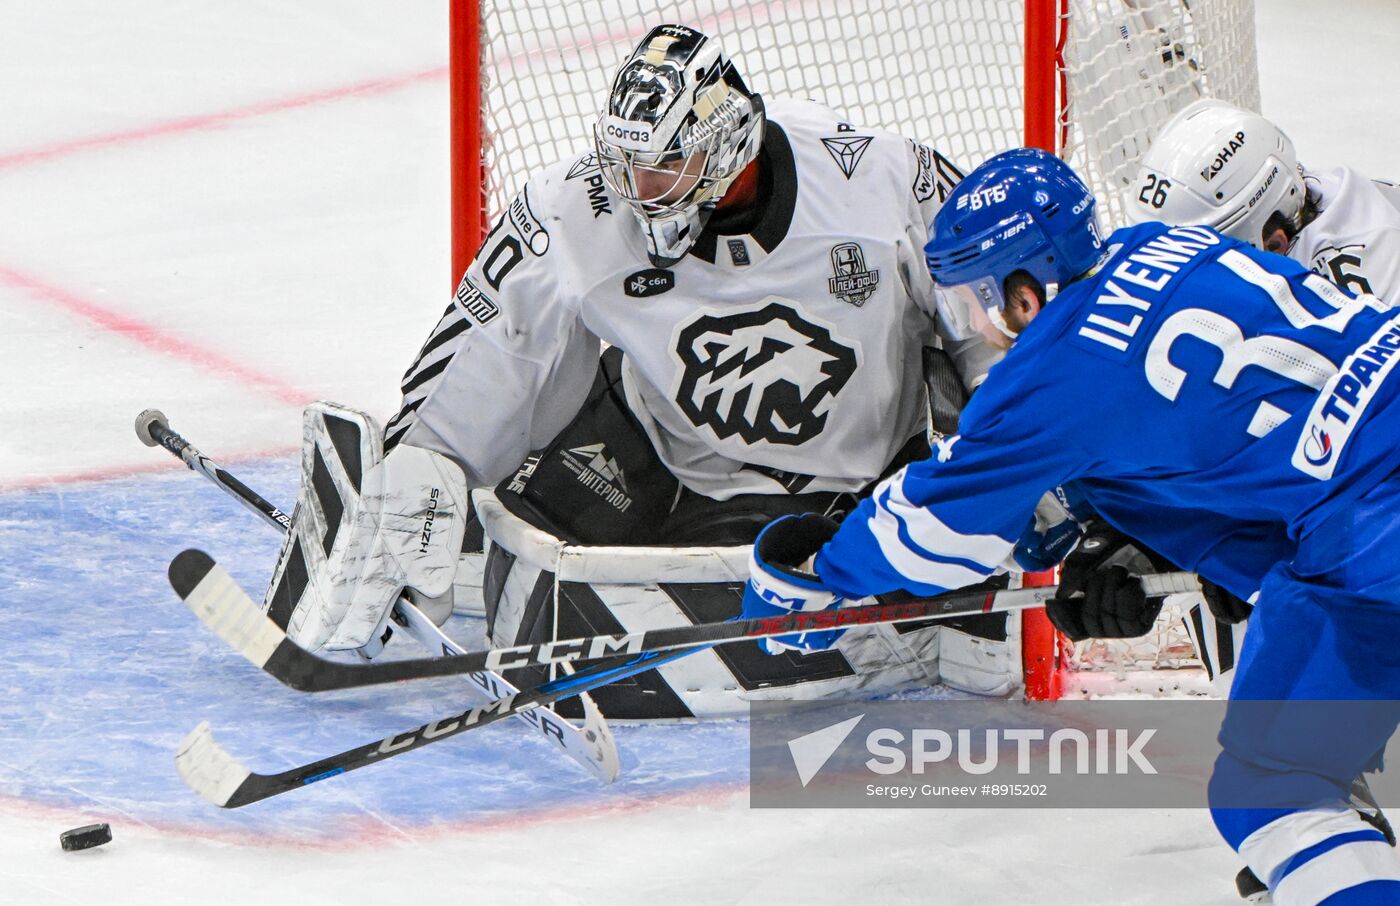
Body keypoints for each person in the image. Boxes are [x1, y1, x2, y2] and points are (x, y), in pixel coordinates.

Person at [255, 23, 1029, 719]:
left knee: (654, 633)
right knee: (525, 565)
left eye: (661, 169)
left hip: (826, 486)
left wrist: (1009, 482)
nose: (633, 191)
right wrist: (424, 458)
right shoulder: (578, 206)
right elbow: (499, 338)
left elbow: (995, 334)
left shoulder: (887, 184)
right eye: (624, 162)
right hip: (649, 437)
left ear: (726, 146)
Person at [745, 146, 1400, 904]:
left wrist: (816, 582)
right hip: (1365, 492)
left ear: (1024, 293)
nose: (974, 323)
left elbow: (934, 533)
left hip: (1374, 523)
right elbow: (1199, 428)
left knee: (1280, 789)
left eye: (973, 298)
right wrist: (1103, 529)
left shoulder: (1052, 371)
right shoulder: (1168, 242)